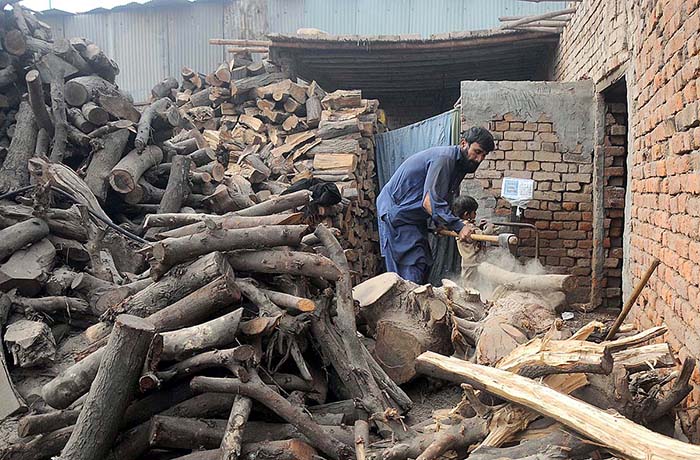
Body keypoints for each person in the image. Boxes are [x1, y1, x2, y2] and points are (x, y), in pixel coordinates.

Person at [377, 126, 495, 284]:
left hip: (413, 217)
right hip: (398, 214)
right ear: (463, 143)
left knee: (423, 263)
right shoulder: (444, 159)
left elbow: (440, 198)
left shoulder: (460, 166)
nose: (479, 159)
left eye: (484, 155)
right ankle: (408, 307)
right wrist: (459, 226)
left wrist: (440, 223)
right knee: (411, 268)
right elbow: (429, 202)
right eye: (477, 151)